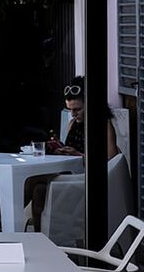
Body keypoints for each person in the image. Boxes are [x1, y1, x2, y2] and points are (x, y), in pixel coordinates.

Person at [29, 76, 118, 230]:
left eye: (77, 109)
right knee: (37, 188)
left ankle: (5, 224)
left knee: (33, 180)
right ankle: (38, 234)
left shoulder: (103, 126)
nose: (73, 114)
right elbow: (69, 150)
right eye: (70, 109)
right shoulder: (73, 124)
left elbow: (112, 160)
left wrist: (78, 155)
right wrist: (59, 149)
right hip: (69, 174)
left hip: (85, 179)